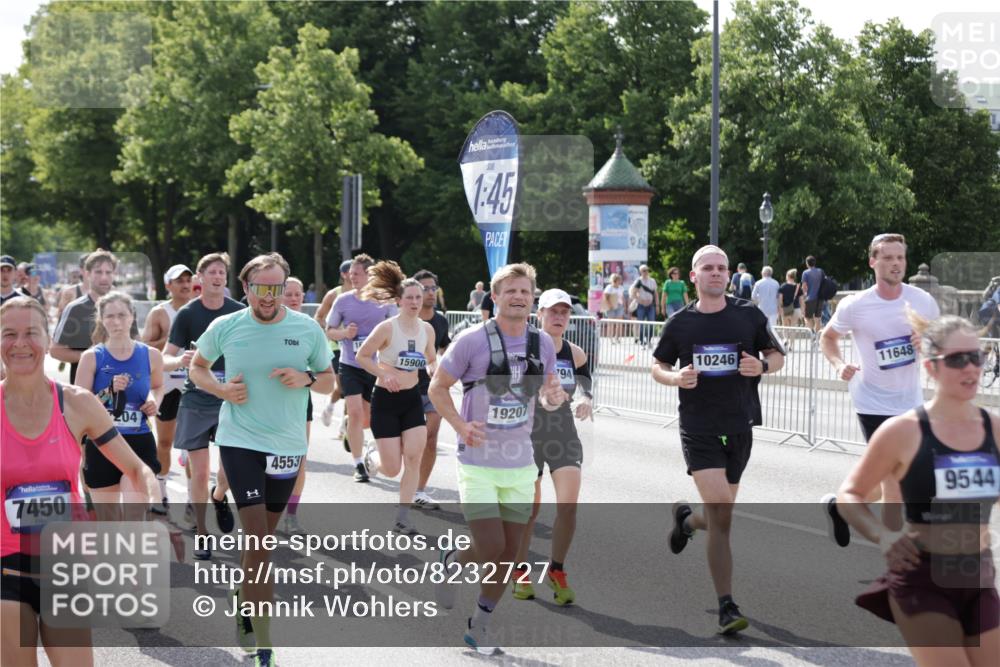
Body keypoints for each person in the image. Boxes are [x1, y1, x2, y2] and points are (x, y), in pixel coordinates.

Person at [190, 253, 332, 667]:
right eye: (260, 288)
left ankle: (242, 593)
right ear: (246, 288)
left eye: (276, 288)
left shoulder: (306, 328)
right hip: (240, 441)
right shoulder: (226, 326)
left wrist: (306, 378)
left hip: (287, 445)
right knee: (259, 541)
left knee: (260, 543)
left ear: (286, 289)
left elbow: (329, 380)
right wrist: (221, 390)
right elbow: (198, 368)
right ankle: (262, 639)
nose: (268, 296)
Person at [1, 296, 158, 667]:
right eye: (9, 334)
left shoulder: (76, 403)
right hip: (5, 565)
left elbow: (137, 469)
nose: (20, 343)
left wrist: (143, 514)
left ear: (47, 339)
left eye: (31, 333)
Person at [837, 313, 999, 666]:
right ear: (931, 367)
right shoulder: (903, 431)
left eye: (977, 357)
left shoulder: (995, 429)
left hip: (978, 575)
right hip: (923, 578)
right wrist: (883, 536)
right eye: (957, 359)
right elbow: (850, 495)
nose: (971, 368)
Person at [429, 262, 564, 655]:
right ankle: (453, 560)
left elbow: (547, 392)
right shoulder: (471, 341)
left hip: (521, 464)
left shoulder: (543, 344)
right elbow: (438, 387)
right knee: (490, 546)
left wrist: (553, 397)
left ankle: (480, 625)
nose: (519, 297)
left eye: (525, 291)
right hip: (478, 462)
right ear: (495, 297)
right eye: (511, 291)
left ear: (533, 298)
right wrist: (460, 425)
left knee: (508, 553)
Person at [653, 245, 785, 635]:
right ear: (693, 276)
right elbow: (658, 364)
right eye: (708, 268)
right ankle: (727, 606)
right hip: (699, 426)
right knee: (723, 516)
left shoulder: (748, 314)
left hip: (740, 424)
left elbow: (777, 355)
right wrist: (675, 378)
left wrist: (762, 365)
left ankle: (686, 521)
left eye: (721, 268)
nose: (716, 273)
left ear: (728, 275)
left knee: (716, 515)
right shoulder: (680, 322)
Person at [818, 233, 940, 547]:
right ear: (873, 261)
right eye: (887, 258)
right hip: (871, 402)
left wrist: (928, 343)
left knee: (903, 474)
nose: (896, 264)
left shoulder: (923, 301)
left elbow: (942, 344)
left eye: (900, 257)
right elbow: (827, 338)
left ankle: (841, 507)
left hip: (910, 402)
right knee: (894, 482)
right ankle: (895, 557)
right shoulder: (855, 305)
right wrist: (838, 364)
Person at [512, 289, 592, 606]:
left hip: (563, 434)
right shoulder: (525, 350)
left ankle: (556, 570)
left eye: (564, 312)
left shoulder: (576, 353)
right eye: (553, 311)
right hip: (528, 433)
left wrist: (586, 400)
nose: (559, 317)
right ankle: (519, 571)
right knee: (529, 511)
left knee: (568, 507)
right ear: (540, 314)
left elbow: (585, 384)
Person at [164, 252, 242, 558]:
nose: (218, 276)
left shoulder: (239, 312)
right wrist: (179, 360)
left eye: (222, 272)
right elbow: (165, 357)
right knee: (199, 472)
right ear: (200, 278)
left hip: (230, 399)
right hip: (196, 399)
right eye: (212, 272)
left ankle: (219, 495)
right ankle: (201, 531)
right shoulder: (187, 314)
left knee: (229, 471)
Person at [356, 262, 437, 534]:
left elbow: (431, 358)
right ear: (399, 301)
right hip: (385, 402)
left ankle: (403, 518)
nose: (415, 302)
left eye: (418, 297)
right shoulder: (387, 328)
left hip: (412, 400)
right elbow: (362, 356)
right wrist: (383, 373)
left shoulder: (427, 330)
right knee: (391, 469)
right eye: (410, 297)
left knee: (414, 459)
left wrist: (433, 368)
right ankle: (373, 457)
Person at [74, 292, 164, 520]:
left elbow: (157, 386)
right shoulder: (91, 357)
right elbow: (79, 407)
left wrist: (153, 401)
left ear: (132, 316)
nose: (116, 322)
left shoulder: (151, 355)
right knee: (109, 523)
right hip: (102, 444)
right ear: (101, 320)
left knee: (134, 518)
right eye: (110, 316)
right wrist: (109, 392)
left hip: (139, 442)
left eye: (122, 315)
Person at [326, 254, 397, 482]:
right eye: (350, 274)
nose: (351, 277)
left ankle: (351, 427)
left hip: (376, 367)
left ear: (369, 275)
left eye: (356, 273)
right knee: (356, 412)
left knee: (368, 419)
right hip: (350, 364)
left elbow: (396, 328)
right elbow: (329, 330)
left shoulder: (384, 300)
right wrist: (344, 334)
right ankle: (358, 464)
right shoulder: (343, 300)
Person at [143, 264, 195, 514]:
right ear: (168, 285)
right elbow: (146, 346)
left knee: (195, 444)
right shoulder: (159, 312)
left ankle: (193, 498)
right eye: (179, 281)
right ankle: (161, 492)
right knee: (165, 441)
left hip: (194, 381)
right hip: (168, 382)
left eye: (188, 280)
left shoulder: (199, 308)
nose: (185, 285)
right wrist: (174, 337)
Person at [52, 250, 138, 385]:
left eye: (108, 272)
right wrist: (90, 357)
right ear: (87, 274)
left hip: (123, 387)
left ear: (114, 274)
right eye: (98, 272)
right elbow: (55, 350)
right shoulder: (75, 308)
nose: (104, 277)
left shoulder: (127, 307)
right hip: (85, 389)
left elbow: (138, 342)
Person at [412, 269, 452, 510]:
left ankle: (419, 490)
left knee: (430, 438)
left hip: (431, 388)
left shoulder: (441, 321)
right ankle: (378, 455)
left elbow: (446, 348)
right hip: (403, 387)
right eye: (425, 288)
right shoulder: (405, 318)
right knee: (407, 442)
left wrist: (444, 366)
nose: (430, 293)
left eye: (433, 288)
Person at [279, 277, 313, 535]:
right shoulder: (266, 325)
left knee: (299, 458)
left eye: (297, 294)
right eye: (288, 294)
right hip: (267, 401)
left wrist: (307, 376)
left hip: (300, 400)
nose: (293, 299)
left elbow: (323, 369)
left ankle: (291, 515)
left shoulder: (309, 327)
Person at [315, 260, 353, 432]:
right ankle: (330, 406)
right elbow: (319, 317)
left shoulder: (366, 294)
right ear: (344, 274)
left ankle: (346, 425)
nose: (354, 275)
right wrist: (334, 331)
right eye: (351, 272)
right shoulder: (333, 294)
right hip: (337, 347)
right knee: (343, 386)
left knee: (353, 388)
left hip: (358, 346)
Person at [55, 254, 89, 323]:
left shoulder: (105, 291)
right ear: (81, 270)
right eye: (88, 268)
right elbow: (60, 317)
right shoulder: (69, 292)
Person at [630, 264, 658, 346]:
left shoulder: (652, 281)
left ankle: (649, 340)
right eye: (644, 270)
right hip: (641, 306)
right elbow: (633, 293)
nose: (646, 272)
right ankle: (642, 341)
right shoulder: (638, 281)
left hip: (651, 305)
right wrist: (641, 300)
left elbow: (656, 294)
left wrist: (657, 305)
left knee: (651, 323)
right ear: (640, 272)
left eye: (647, 270)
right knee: (641, 324)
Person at [801, 255, 825, 333]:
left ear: (807, 263)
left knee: (807, 318)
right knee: (818, 319)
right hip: (820, 298)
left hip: (810, 298)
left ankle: (812, 334)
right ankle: (817, 336)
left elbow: (804, 287)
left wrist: (804, 296)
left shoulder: (805, 273)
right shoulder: (820, 271)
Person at [601, 273, 626, 342]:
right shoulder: (609, 287)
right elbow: (605, 297)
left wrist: (624, 305)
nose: (620, 281)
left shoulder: (621, 288)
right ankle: (610, 338)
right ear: (615, 280)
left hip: (619, 306)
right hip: (611, 306)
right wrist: (610, 305)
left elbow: (622, 297)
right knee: (611, 322)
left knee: (619, 322)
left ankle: (617, 337)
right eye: (618, 280)